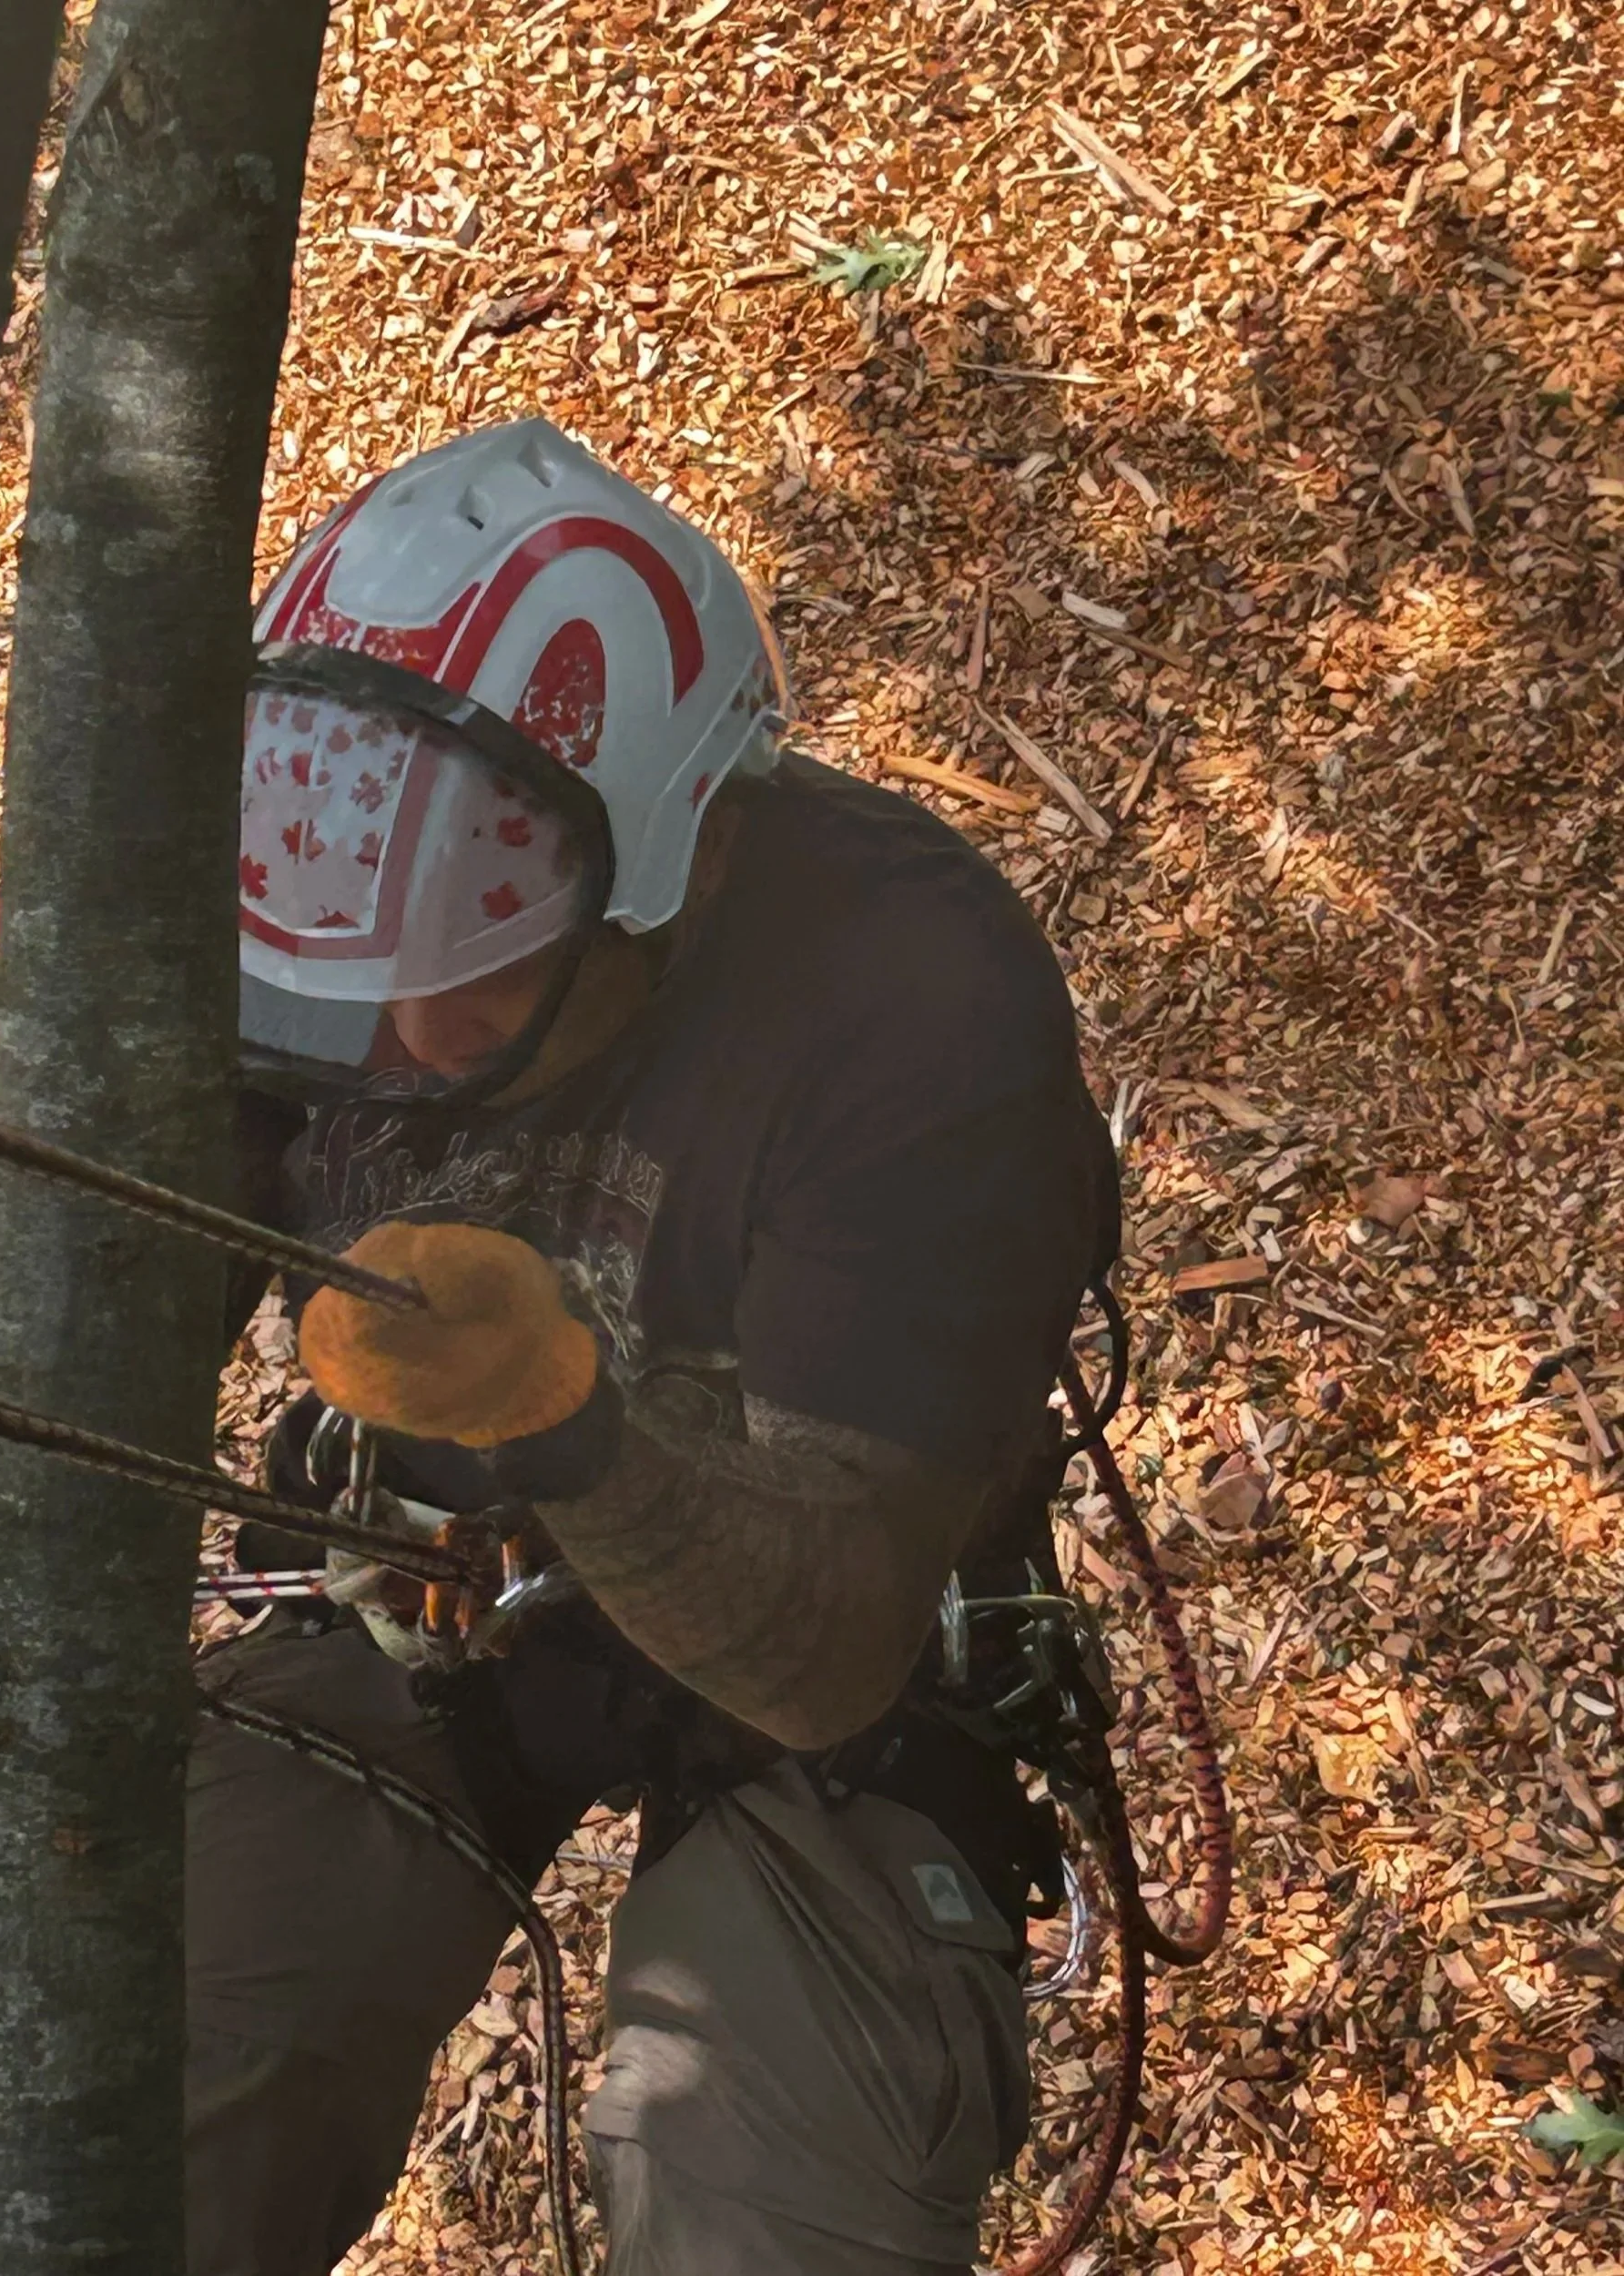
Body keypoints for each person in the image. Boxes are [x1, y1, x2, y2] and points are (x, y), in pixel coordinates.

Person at [194, 419, 1117, 2276]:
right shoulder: (303, 905)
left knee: (768, 2215)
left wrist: (563, 1425)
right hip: (421, 1587)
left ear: (682, 860)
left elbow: (826, 1646)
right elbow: (113, 1289)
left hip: (833, 1661)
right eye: (345, 986)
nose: (395, 1045)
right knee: (122, 2121)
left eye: (469, 980)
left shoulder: (911, 1005)